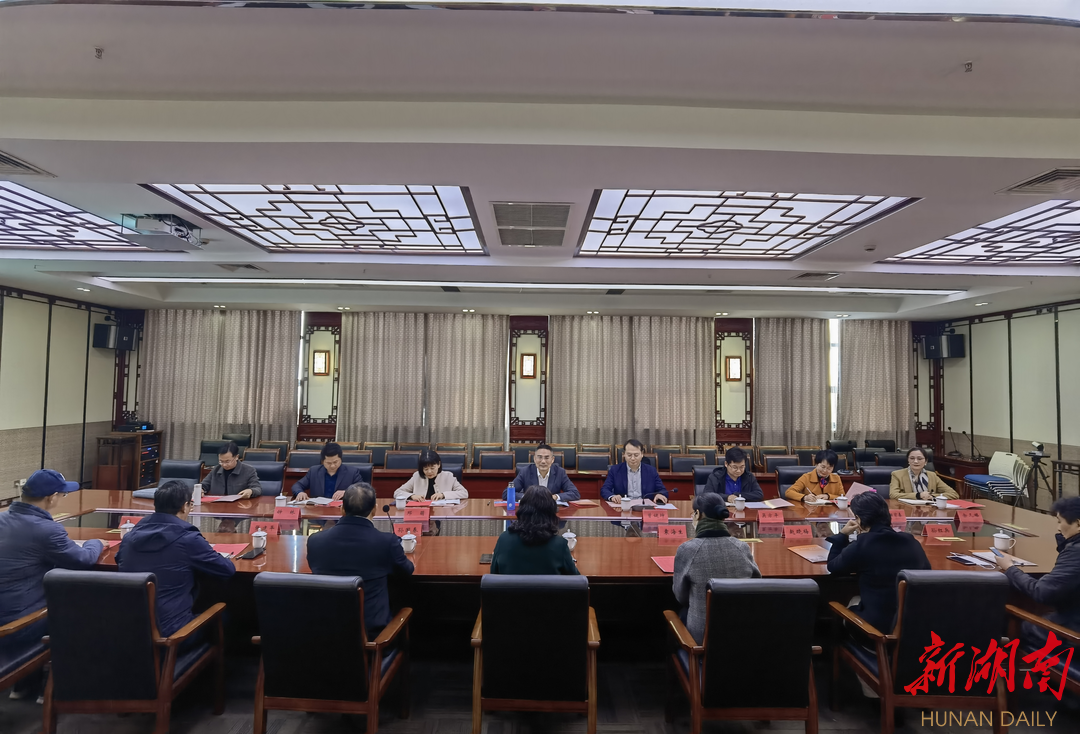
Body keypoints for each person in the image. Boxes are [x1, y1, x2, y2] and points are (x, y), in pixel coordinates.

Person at [0, 470, 104, 700]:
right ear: (51, 498)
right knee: (84, 611)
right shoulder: (46, 529)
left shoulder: (2, 518)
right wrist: (96, 542)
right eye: (62, 494)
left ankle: (23, 685)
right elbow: (83, 560)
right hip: (20, 625)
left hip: (4, 617)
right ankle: (54, 690)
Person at [116, 480, 236, 640]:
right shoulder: (188, 539)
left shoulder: (129, 538)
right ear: (185, 506)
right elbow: (227, 570)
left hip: (129, 634)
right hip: (173, 638)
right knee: (225, 615)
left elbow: (119, 561)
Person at [307, 483, 415, 636]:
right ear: (374, 510)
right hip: (373, 636)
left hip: (325, 634)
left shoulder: (315, 541)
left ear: (342, 509)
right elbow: (407, 571)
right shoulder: (386, 542)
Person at [826, 492, 931, 634]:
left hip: (875, 633)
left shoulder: (862, 544)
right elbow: (926, 573)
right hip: (913, 629)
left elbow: (833, 566)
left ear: (859, 519)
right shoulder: (911, 542)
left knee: (849, 603)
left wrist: (842, 535)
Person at [994, 496, 1080, 651]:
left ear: (1078, 524)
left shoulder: (1076, 552)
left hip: (1073, 634)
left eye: (1059, 521)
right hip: (1072, 616)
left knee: (1006, 619)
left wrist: (1009, 568)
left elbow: (1041, 592)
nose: (1058, 528)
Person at [673, 493, 761, 643]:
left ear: (697, 514)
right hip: (742, 635)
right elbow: (756, 585)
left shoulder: (688, 550)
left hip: (701, 640)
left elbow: (681, 597)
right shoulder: (742, 547)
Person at [490, 486, 579, 575]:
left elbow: (493, 575)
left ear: (522, 509)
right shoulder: (560, 545)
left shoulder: (504, 540)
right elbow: (577, 580)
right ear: (551, 512)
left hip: (510, 585)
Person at [502, 443, 580, 503]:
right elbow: (506, 493)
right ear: (534, 459)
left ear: (552, 460)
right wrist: (528, 497)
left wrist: (555, 497)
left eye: (547, 458)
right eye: (539, 457)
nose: (543, 461)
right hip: (531, 512)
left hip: (551, 513)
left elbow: (575, 493)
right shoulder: (525, 471)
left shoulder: (560, 472)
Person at [601, 439, 668, 504]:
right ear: (624, 454)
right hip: (623, 506)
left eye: (636, 455)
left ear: (642, 454)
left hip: (645, 507)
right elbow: (605, 489)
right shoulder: (615, 470)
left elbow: (663, 490)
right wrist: (613, 497)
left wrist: (660, 494)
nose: (633, 458)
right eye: (629, 455)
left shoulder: (651, 471)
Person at [292, 442, 365, 501]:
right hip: (318, 510)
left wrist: (346, 492)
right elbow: (297, 485)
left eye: (335, 462)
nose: (332, 466)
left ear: (341, 459)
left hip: (341, 511)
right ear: (322, 461)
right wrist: (300, 492)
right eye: (329, 463)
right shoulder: (314, 471)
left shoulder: (352, 472)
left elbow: (363, 489)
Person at [394, 449, 468, 501]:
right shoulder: (417, 477)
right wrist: (412, 496)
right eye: (426, 469)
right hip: (422, 512)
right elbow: (397, 492)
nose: (429, 472)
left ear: (439, 465)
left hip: (442, 512)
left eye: (432, 468)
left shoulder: (448, 476)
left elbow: (464, 493)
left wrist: (443, 495)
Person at [889, 447, 957, 501]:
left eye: (919, 459)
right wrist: (918, 495)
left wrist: (932, 496)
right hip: (907, 508)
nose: (915, 461)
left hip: (929, 509)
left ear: (926, 461)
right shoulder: (897, 474)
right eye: (912, 458)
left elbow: (953, 494)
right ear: (908, 460)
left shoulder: (932, 475)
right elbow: (893, 495)